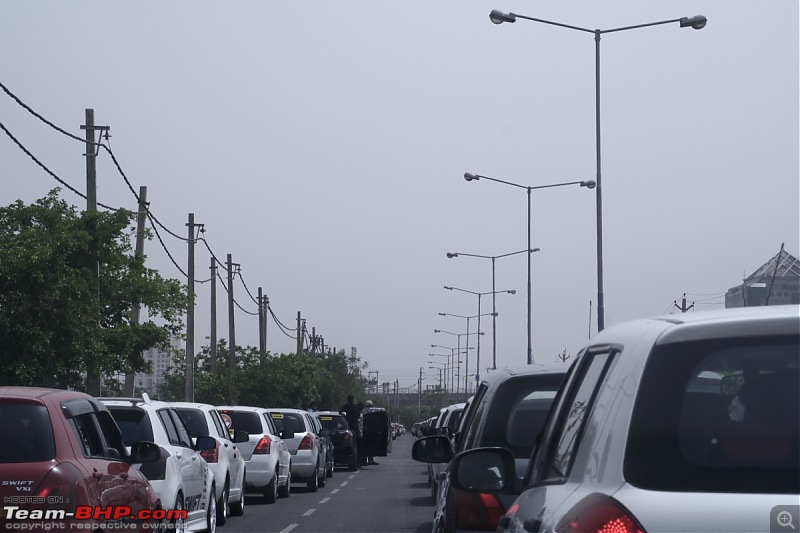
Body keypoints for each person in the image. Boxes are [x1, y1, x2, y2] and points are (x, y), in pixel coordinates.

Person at [340, 394, 363, 466]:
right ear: (353, 400)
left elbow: (340, 413)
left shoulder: (346, 407)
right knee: (357, 446)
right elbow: (358, 419)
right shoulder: (355, 408)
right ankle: (358, 461)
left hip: (346, 428)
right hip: (354, 429)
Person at [363, 400, 379, 465]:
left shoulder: (363, 411)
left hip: (365, 432)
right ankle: (370, 459)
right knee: (371, 446)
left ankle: (365, 460)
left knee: (366, 446)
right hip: (372, 432)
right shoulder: (373, 411)